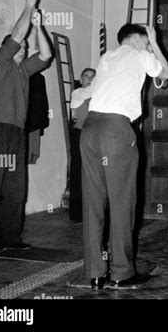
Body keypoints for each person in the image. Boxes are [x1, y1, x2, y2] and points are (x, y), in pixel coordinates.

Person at [80, 24, 168, 290]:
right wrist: (155, 42)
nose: (148, 45)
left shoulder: (107, 57)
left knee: (93, 203)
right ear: (139, 38)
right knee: (122, 202)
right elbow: (166, 73)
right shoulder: (141, 54)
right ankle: (121, 273)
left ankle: (95, 273)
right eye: (146, 40)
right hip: (116, 130)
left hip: (90, 128)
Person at [0, 0, 52, 249]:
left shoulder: (23, 69)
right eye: (20, 46)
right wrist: (28, 6)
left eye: (25, 47)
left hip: (17, 134)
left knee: (15, 189)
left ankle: (9, 238)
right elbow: (18, 35)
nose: (25, 47)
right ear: (8, 46)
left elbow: (45, 55)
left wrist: (39, 27)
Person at [69, 68, 96, 222]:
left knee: (92, 173)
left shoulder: (97, 93)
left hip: (93, 135)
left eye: (93, 77)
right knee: (77, 171)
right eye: (86, 76)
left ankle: (92, 212)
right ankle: (77, 213)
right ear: (81, 78)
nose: (89, 80)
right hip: (79, 134)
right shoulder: (77, 93)